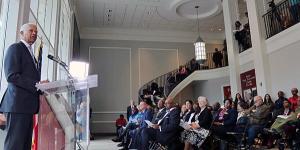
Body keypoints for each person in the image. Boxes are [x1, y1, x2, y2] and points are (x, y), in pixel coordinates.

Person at [0, 23, 47, 150]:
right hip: (17, 106)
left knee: (25, 146)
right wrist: (36, 84)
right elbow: (12, 76)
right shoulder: (15, 48)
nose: (34, 33)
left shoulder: (31, 54)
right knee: (14, 146)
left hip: (27, 107)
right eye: (31, 30)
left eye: (36, 31)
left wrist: (43, 86)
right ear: (21, 33)